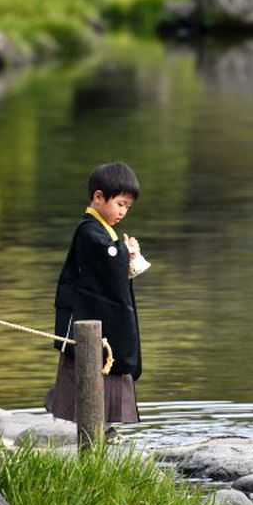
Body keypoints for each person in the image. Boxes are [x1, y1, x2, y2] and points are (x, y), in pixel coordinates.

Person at [50, 161, 148, 424]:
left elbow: (114, 265)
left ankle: (104, 428)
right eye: (120, 204)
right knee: (87, 362)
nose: (123, 212)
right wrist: (124, 251)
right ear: (98, 197)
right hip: (86, 317)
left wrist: (125, 251)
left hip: (100, 316)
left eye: (128, 206)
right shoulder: (88, 230)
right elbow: (111, 260)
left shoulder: (103, 232)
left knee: (108, 359)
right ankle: (91, 429)